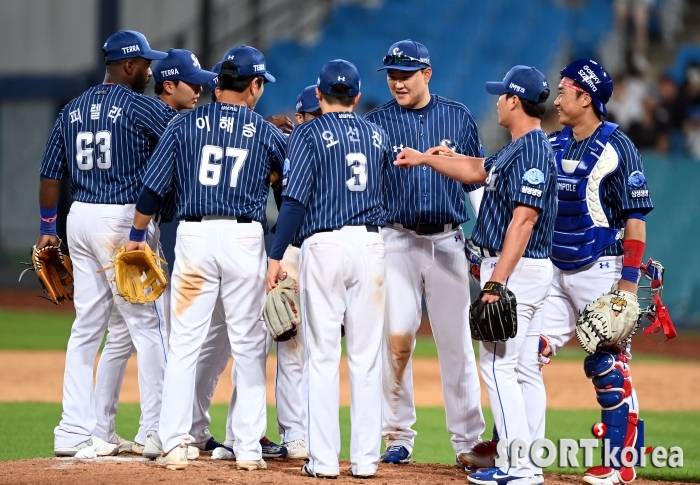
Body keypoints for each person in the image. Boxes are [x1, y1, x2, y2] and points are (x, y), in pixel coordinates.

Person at [125, 44, 285, 470]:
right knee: (249, 346)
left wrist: (135, 236)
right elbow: (294, 184)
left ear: (217, 84)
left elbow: (152, 189)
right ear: (254, 85)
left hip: (193, 236)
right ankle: (249, 448)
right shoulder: (265, 132)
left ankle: (175, 442)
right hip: (244, 239)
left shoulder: (183, 126)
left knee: (184, 345)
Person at [395, 65, 556, 485]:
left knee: (498, 368)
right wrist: (430, 158)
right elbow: (475, 170)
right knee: (522, 371)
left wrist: (496, 281)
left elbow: (523, 221)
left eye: (502, 95)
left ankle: (518, 468)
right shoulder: (518, 147)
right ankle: (528, 461)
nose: (497, 100)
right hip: (521, 271)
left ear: (515, 101)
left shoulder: (533, 151)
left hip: (515, 272)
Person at [37, 29, 177, 458]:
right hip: (121, 221)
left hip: (78, 218)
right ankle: (154, 429)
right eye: (146, 64)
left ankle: (73, 431)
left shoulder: (72, 109)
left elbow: (49, 173)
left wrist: (47, 227)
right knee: (147, 326)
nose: (150, 70)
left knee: (86, 328)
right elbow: (184, 138)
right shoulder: (141, 106)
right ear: (129, 66)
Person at [363, 39, 487, 467]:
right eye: (392, 74)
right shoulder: (376, 122)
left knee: (457, 346)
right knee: (396, 338)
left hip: (447, 243)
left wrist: (487, 246)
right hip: (395, 240)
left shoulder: (457, 116)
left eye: (406, 74)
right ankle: (397, 435)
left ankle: (468, 441)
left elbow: (475, 182)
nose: (397, 81)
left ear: (427, 74)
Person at [266, 59, 389, 479]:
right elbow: (387, 191)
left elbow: (295, 201)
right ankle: (367, 462)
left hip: (324, 243)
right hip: (372, 243)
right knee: (366, 358)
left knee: (321, 356)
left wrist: (276, 254)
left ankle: (323, 462)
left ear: (318, 95)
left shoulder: (307, 133)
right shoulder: (377, 133)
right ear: (356, 96)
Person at [91, 47, 216, 457]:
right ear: (169, 85)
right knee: (153, 330)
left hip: (124, 224)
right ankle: (155, 431)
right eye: (192, 83)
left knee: (120, 334)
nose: (199, 89)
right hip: (137, 229)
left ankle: (99, 429)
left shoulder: (158, 115)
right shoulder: (161, 117)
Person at [539, 59, 654, 485]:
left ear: (585, 97)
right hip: (554, 269)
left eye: (565, 89)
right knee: (527, 357)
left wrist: (626, 287)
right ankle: (514, 451)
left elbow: (636, 219)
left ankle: (621, 464)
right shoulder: (553, 143)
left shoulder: (618, 146)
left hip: (601, 268)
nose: (558, 96)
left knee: (607, 366)